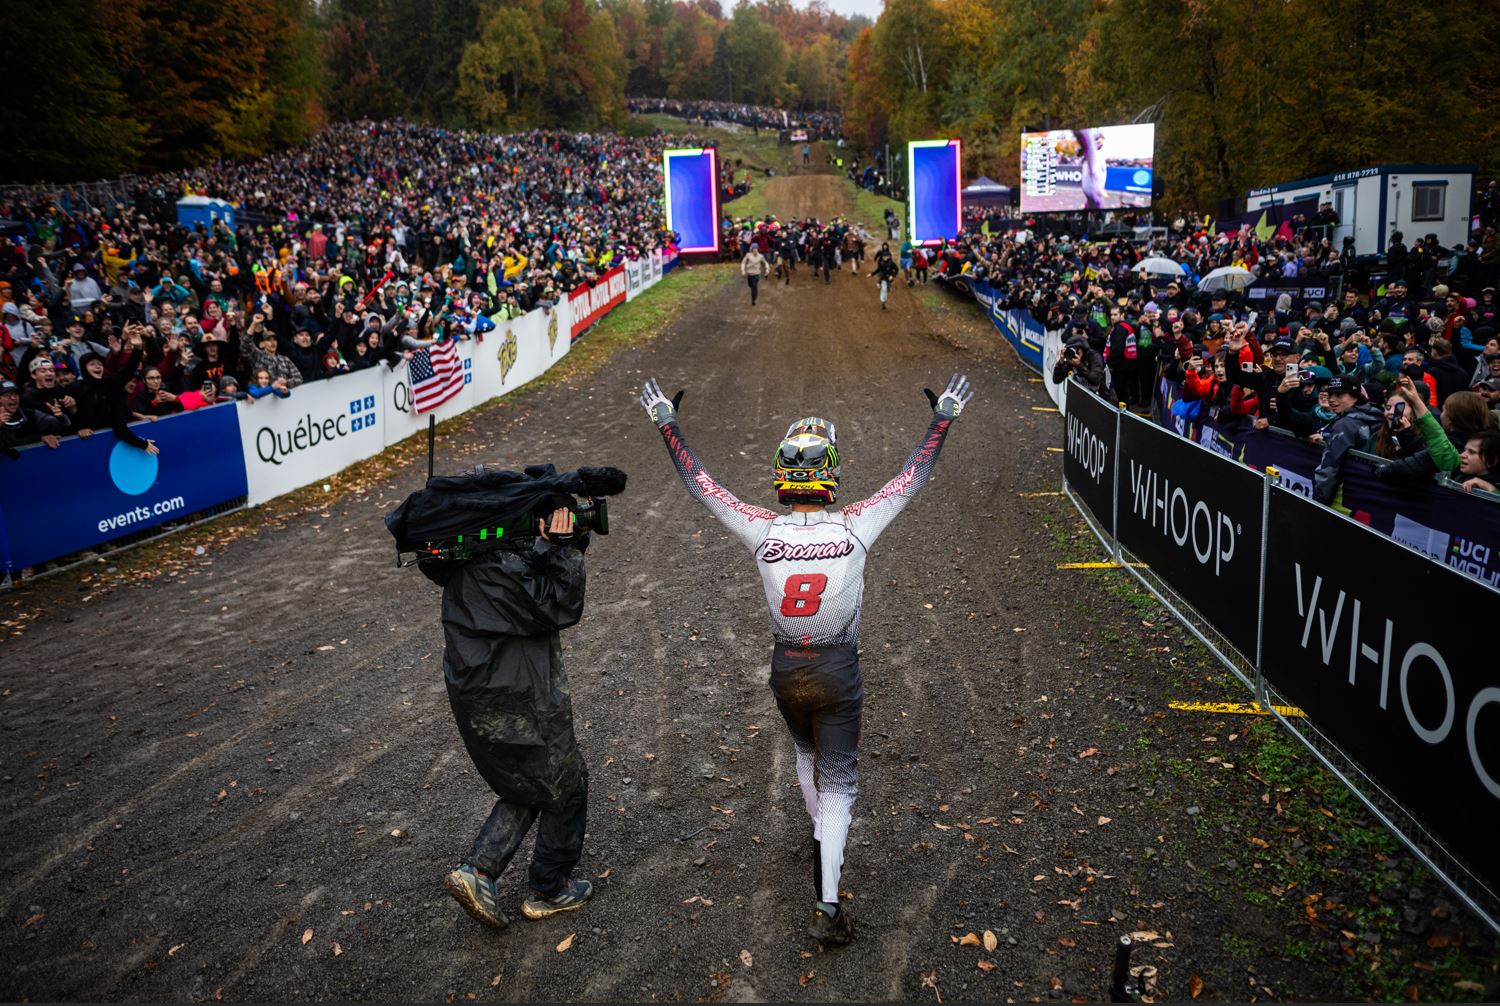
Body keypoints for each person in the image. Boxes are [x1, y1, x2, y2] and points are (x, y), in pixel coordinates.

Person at [639, 372, 973, 947]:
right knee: (842, 785)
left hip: (785, 667)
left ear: (781, 479)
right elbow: (911, 478)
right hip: (838, 667)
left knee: (803, 752)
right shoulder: (857, 524)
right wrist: (941, 419)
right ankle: (827, 900)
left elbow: (701, 484)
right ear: (832, 477)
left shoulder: (760, 528)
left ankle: (819, 837)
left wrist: (669, 426)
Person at [431, 487, 598, 931]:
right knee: (565, 783)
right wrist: (562, 548)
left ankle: (479, 871)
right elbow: (560, 604)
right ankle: (549, 888)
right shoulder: (499, 568)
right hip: (518, 695)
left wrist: (549, 545)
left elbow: (527, 584)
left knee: (534, 780)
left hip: (486, 692)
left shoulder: (471, 562)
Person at [1311, 374, 1384, 505]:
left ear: (1355, 396)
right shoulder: (1376, 415)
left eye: (1339, 395)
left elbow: (1330, 465)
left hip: (1345, 498)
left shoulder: (1345, 423)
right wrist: (1328, 437)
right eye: (1330, 394)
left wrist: (1319, 498)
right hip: (1373, 495)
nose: (1331, 399)